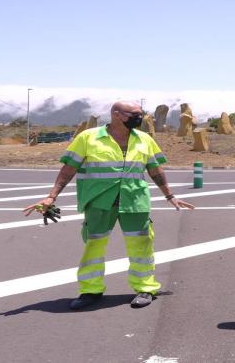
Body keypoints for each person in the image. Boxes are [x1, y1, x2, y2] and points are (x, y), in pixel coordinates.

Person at [24, 101, 194, 311]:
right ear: (116, 114)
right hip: (99, 201)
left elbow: (155, 169)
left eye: (140, 114)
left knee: (142, 246)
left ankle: (145, 288)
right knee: (93, 246)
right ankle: (90, 290)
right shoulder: (88, 137)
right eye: (134, 114)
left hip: (134, 201)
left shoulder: (145, 139)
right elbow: (68, 169)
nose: (139, 117)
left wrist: (170, 195)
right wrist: (51, 197)